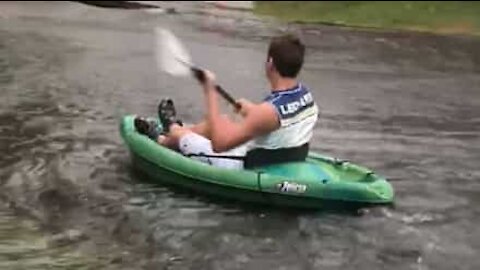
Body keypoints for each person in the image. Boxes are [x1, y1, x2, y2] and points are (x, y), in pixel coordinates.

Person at [134, 34, 318, 169]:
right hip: (278, 153)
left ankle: (165, 136)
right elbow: (274, 122)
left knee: (185, 137)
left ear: (270, 63)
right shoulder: (305, 95)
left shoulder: (267, 112)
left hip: (242, 163)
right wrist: (251, 110)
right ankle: (173, 128)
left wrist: (210, 92)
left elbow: (220, 145)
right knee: (222, 121)